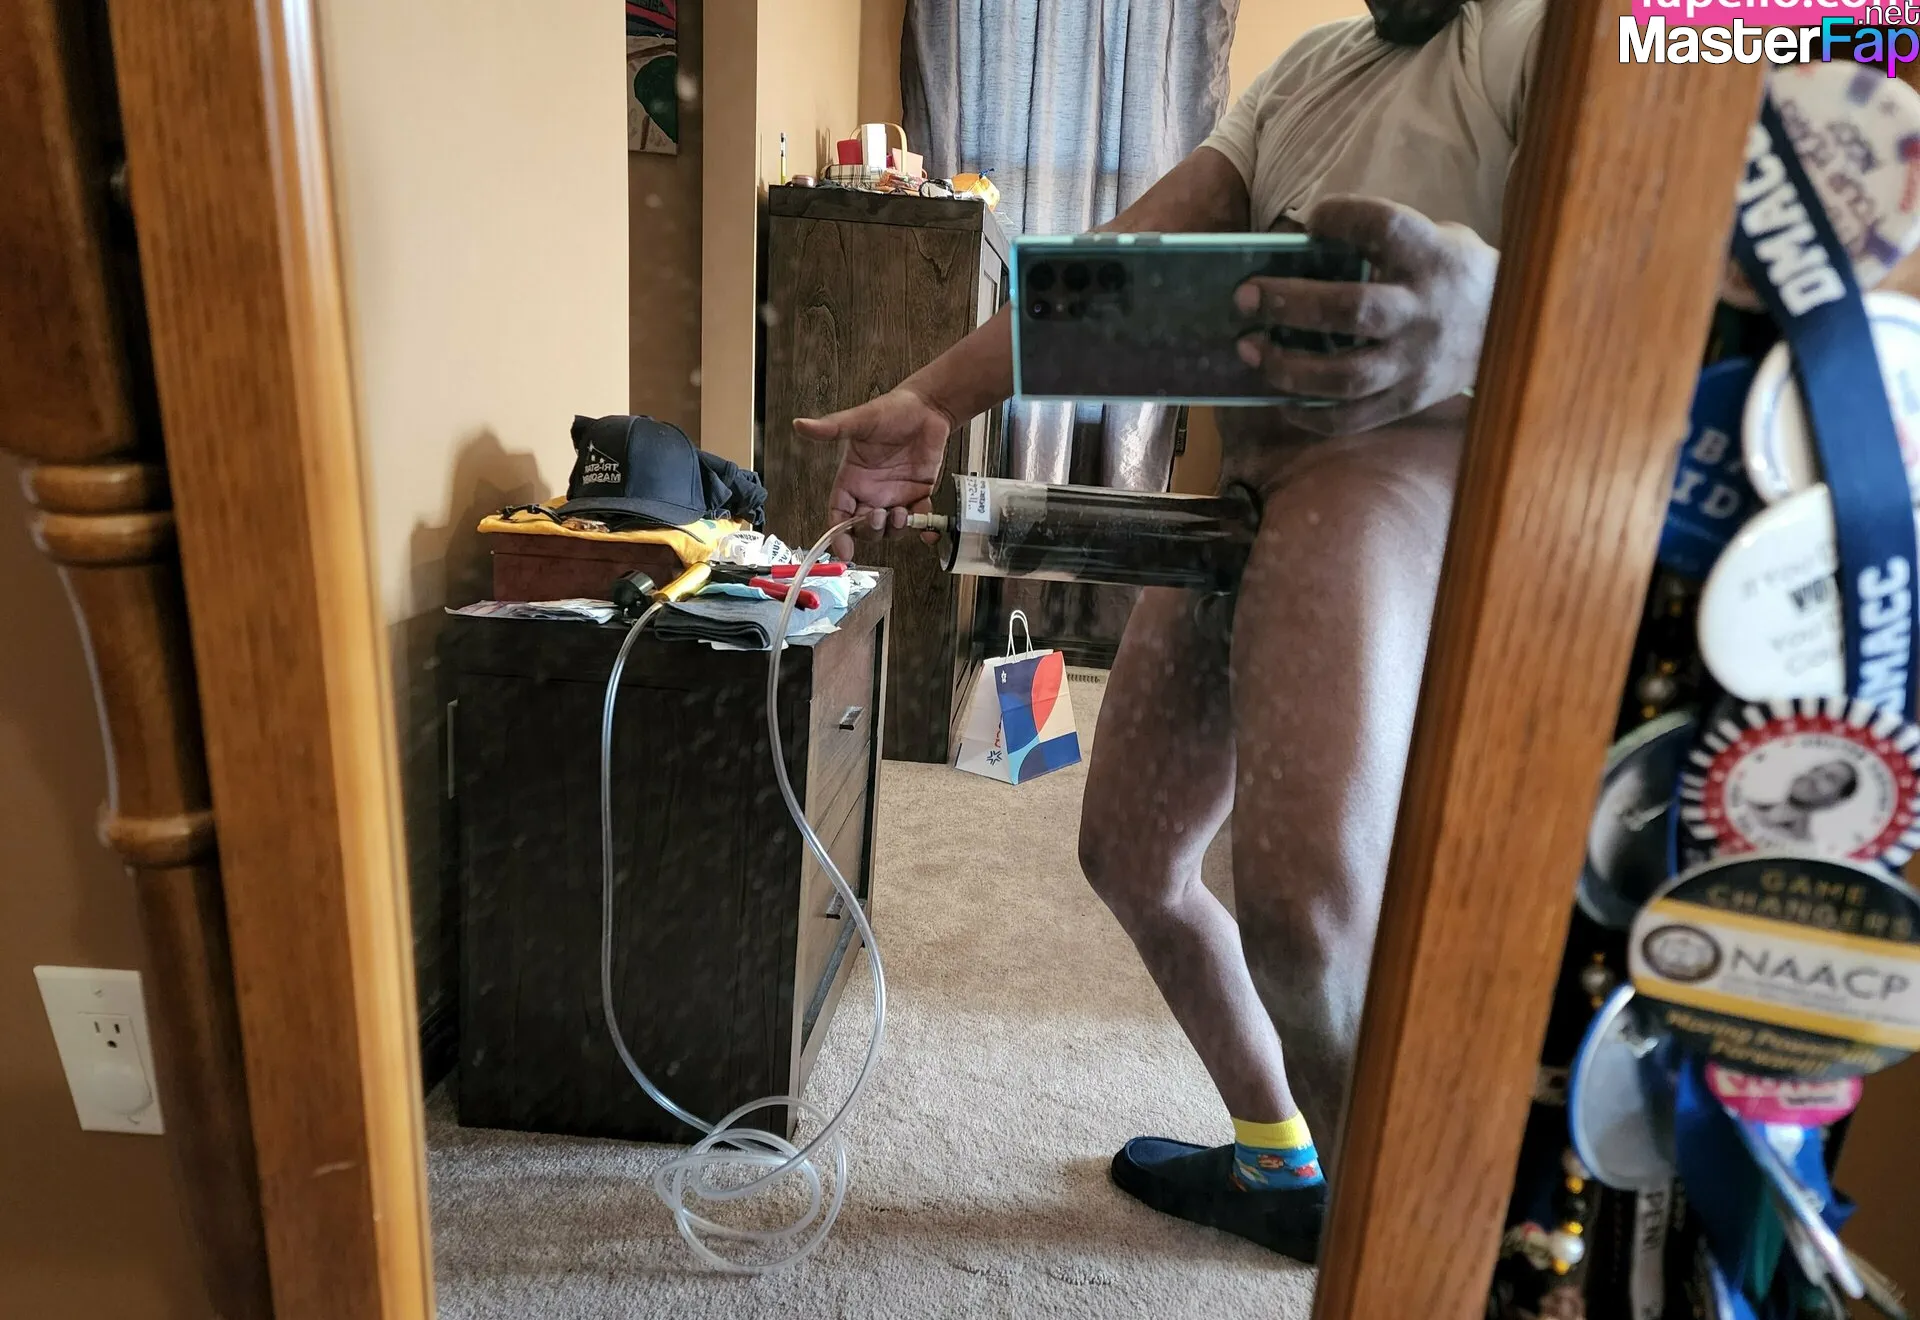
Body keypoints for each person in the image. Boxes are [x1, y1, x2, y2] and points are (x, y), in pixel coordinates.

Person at [794, 0, 1544, 1262]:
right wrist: (932, 398)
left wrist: (1502, 306)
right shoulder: (1315, 69)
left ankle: (1408, 1257)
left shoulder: (1544, 40)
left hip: (1392, 477)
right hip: (1242, 481)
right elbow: (1122, 269)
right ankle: (1281, 1162)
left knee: (1306, 918)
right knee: (1134, 857)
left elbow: (1704, 262)